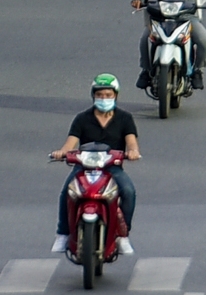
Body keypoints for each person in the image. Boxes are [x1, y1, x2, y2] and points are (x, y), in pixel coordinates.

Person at [51, 74, 142, 256]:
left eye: (108, 95)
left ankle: (122, 235)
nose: (104, 99)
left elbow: (131, 142)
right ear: (93, 96)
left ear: (115, 96)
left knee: (128, 191)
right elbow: (71, 143)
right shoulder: (82, 118)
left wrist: (132, 152)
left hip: (111, 167)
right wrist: (62, 152)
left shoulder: (125, 118)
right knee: (67, 192)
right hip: (83, 166)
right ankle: (62, 233)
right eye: (100, 95)